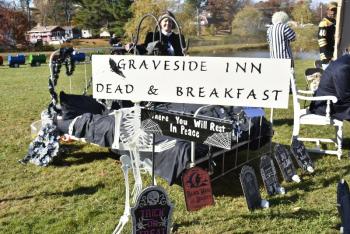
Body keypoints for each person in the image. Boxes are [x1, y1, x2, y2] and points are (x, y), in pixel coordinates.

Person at [309, 54, 350, 121]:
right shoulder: (343, 68)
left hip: (333, 100)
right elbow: (345, 96)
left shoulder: (346, 59)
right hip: (325, 106)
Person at [318, 2, 337, 69]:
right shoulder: (324, 23)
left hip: (335, 52)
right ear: (327, 11)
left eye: (334, 10)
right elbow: (321, 40)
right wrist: (328, 55)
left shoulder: (335, 22)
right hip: (327, 56)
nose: (333, 12)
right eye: (331, 10)